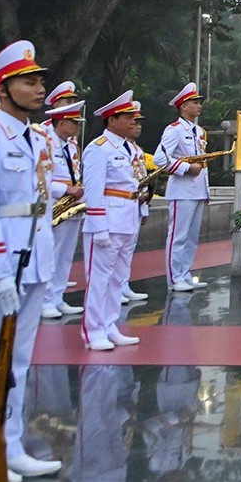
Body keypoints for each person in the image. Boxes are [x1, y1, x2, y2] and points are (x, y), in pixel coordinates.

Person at [0, 40, 67, 480]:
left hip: (34, 257)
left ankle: (8, 446)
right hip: (1, 263)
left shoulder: (34, 138)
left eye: (40, 81)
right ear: (1, 89)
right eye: (28, 82)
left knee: (17, 360)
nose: (39, 89)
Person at [81, 92, 148, 351]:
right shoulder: (99, 148)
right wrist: (97, 225)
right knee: (99, 278)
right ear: (112, 120)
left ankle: (109, 325)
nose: (134, 121)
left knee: (118, 278)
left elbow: (136, 185)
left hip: (128, 216)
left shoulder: (130, 148)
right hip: (107, 219)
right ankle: (93, 330)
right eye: (128, 117)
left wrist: (142, 213)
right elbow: (94, 189)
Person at [154, 82, 212, 293]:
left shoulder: (199, 131)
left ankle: (185, 273)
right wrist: (186, 168)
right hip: (182, 189)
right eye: (194, 103)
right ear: (183, 106)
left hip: (197, 190)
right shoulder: (174, 130)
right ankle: (174, 277)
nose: (199, 106)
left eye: (199, 103)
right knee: (178, 236)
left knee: (191, 237)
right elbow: (160, 158)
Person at [40, 82, 87, 320]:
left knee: (66, 253)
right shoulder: (43, 137)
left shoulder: (70, 142)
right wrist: (64, 189)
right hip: (53, 203)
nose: (77, 126)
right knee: (51, 252)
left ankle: (57, 297)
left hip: (72, 203)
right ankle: (46, 299)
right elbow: (38, 174)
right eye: (74, 121)